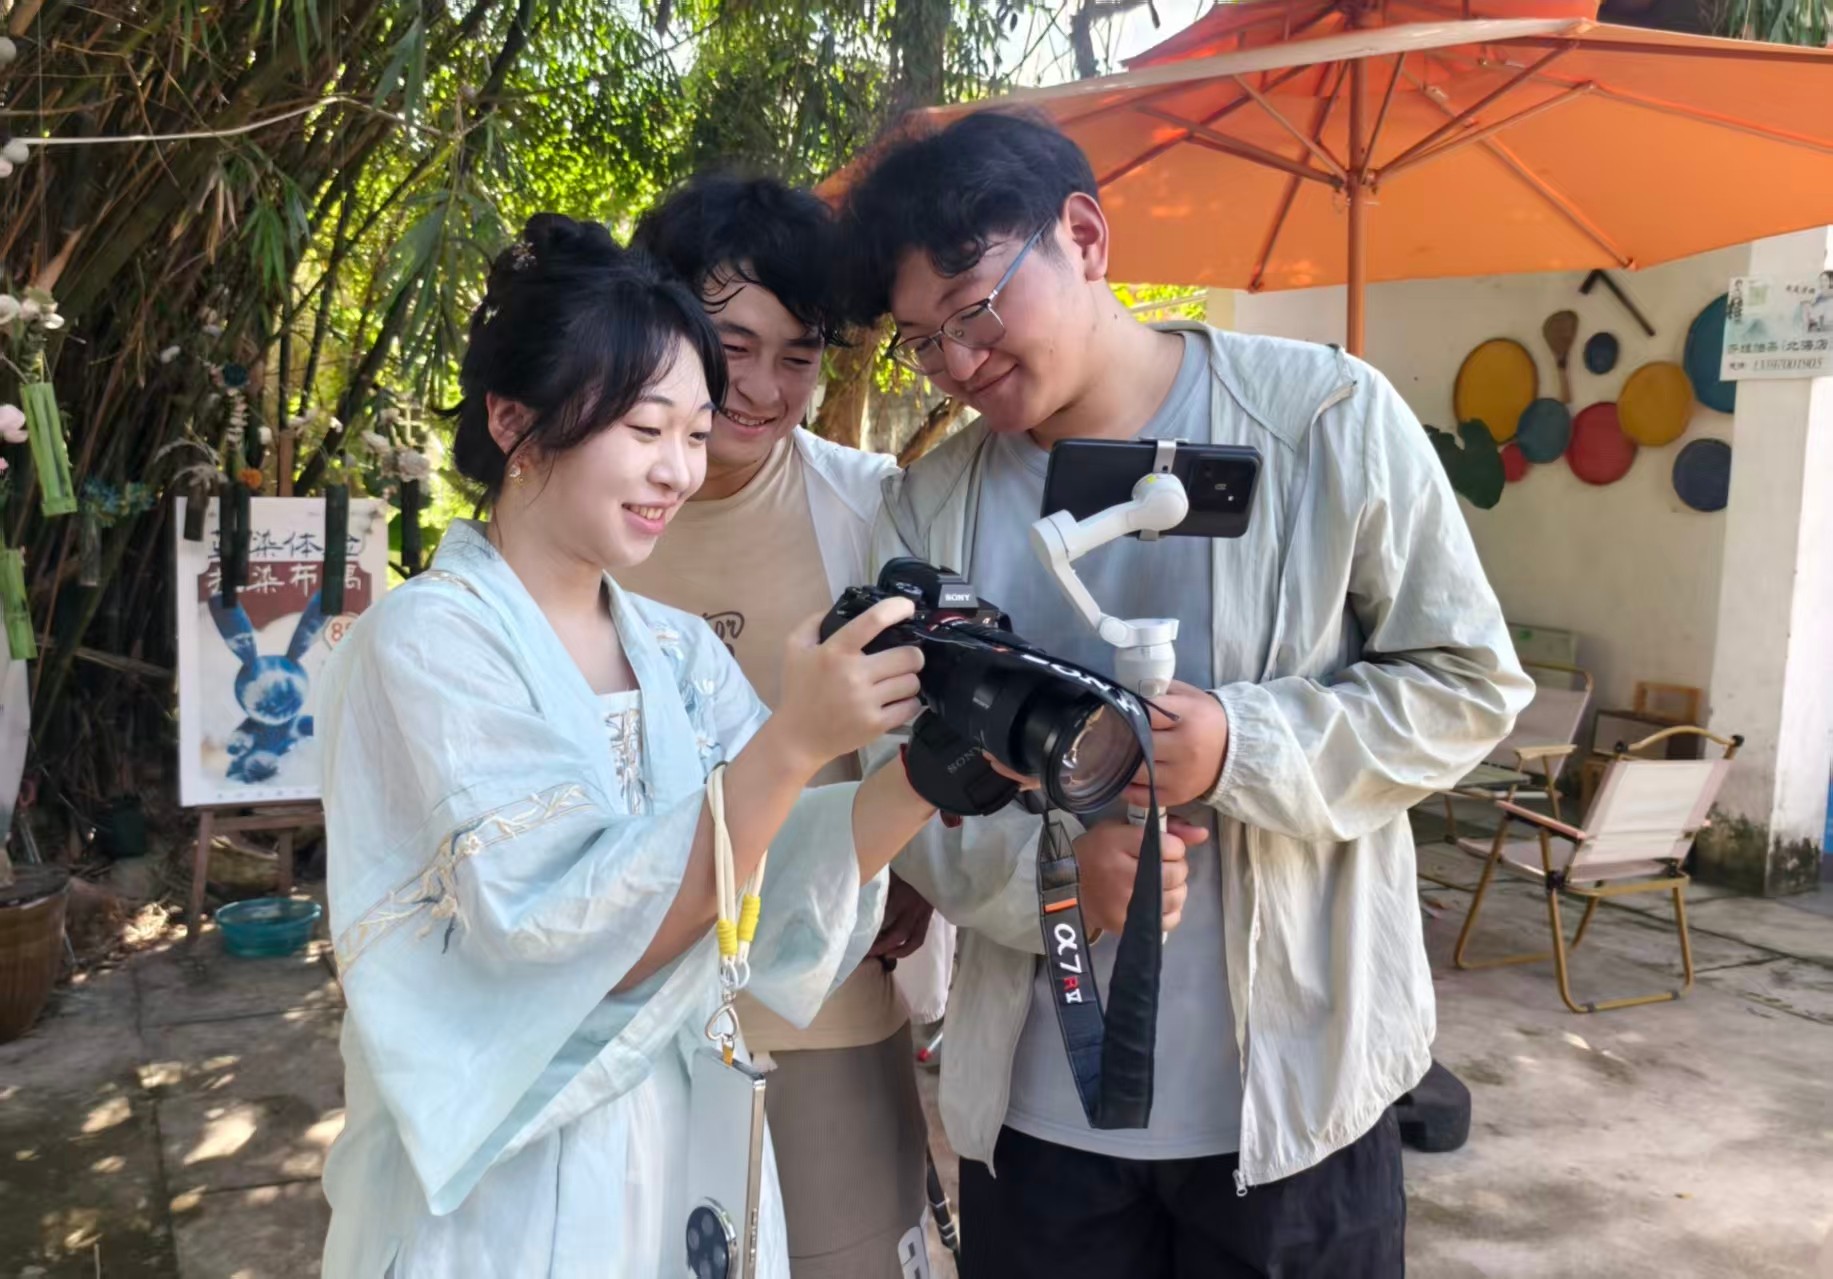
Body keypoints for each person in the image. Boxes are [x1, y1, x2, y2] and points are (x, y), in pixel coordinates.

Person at [836, 111, 1532, 1278]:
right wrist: (1059, 881)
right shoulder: (930, 507)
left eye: (973, 308)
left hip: (1295, 1108)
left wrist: (1238, 744)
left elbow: (1467, 682)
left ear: (1085, 236)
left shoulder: (1323, 419)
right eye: (922, 341)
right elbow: (899, 781)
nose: (956, 363)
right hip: (1040, 1121)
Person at [315, 214, 938, 1277]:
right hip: (506, 1181)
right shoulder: (424, 643)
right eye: (647, 429)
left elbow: (774, 873)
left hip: (673, 1137)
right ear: (514, 420)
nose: (679, 470)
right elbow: (569, 940)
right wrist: (795, 740)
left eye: (695, 433)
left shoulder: (676, 650)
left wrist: (936, 768)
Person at [622, 173, 945, 1279]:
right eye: (731, 347)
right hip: (625, 1010)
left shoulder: (872, 506)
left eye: (798, 356)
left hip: (824, 1003)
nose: (761, 389)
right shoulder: (586, 505)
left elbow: (926, 721)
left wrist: (919, 866)